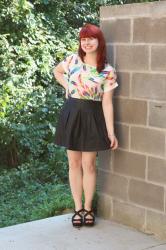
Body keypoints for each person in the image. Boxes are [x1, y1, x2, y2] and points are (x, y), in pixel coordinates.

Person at [53, 23, 118, 228]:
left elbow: (107, 103)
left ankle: (88, 208)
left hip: (92, 116)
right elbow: (57, 72)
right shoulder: (73, 60)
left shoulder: (107, 71)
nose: (87, 42)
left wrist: (111, 133)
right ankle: (77, 207)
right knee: (73, 163)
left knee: (88, 165)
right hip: (71, 113)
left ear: (99, 41)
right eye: (83, 39)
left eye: (91, 38)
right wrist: (67, 87)